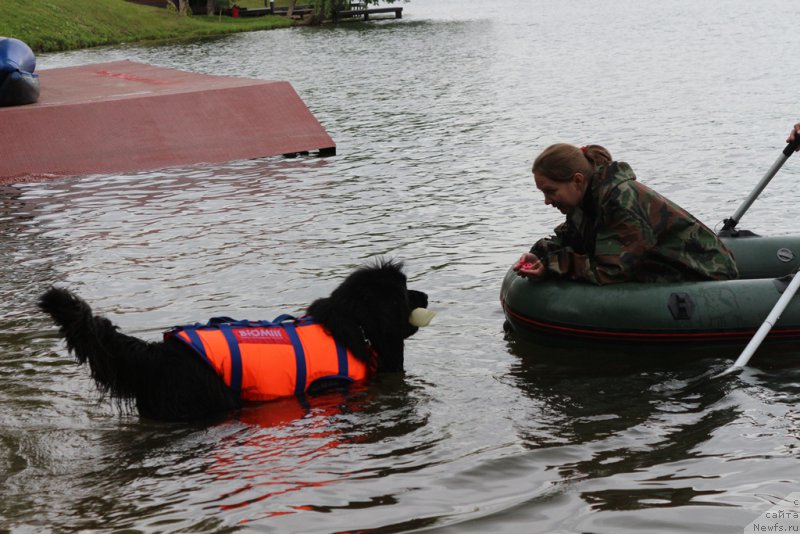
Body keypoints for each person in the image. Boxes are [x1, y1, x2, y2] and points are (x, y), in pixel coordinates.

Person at [513, 143, 739, 284]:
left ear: (578, 180)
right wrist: (541, 256)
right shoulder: (587, 201)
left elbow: (611, 270)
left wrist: (554, 265)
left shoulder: (620, 202)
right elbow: (574, 239)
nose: (547, 201)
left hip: (706, 272)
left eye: (551, 191)